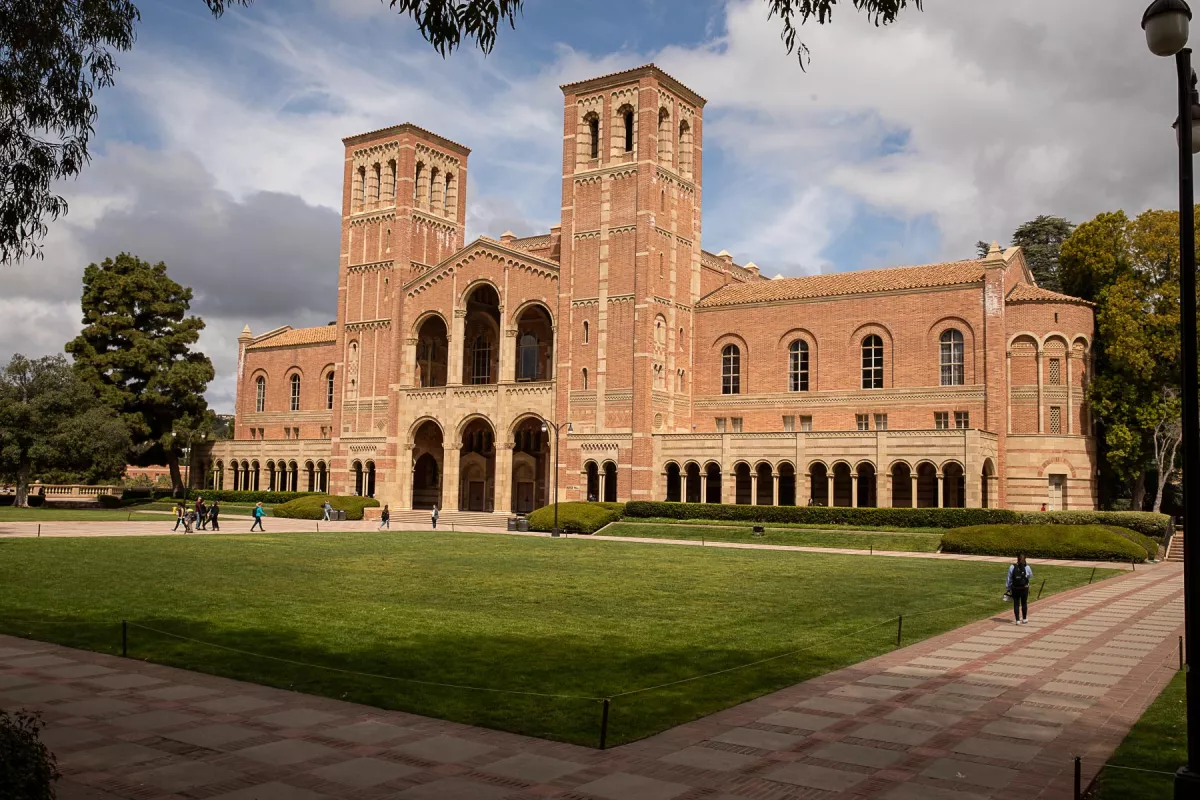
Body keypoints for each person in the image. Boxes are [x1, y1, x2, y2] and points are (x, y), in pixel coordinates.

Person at [1006, 553, 1032, 625]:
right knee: (1024, 603)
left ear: (1017, 558)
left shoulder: (1012, 567)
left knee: (1016, 604)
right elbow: (1030, 575)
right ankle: (1024, 619)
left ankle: (1017, 620)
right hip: (1024, 588)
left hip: (1015, 588)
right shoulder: (1027, 567)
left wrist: (1008, 587)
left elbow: (1009, 578)